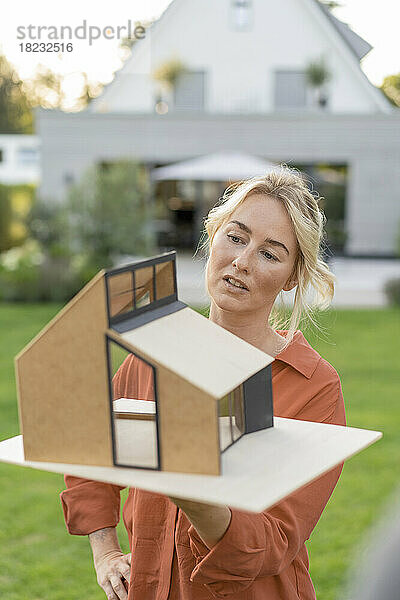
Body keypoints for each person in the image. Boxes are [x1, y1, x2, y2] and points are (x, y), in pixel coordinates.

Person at [61, 167, 346, 600]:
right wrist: (105, 552)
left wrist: (193, 493)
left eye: (270, 253)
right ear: (212, 237)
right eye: (235, 236)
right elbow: (90, 456)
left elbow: (273, 542)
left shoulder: (315, 388)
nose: (243, 261)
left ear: (291, 277)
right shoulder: (154, 351)